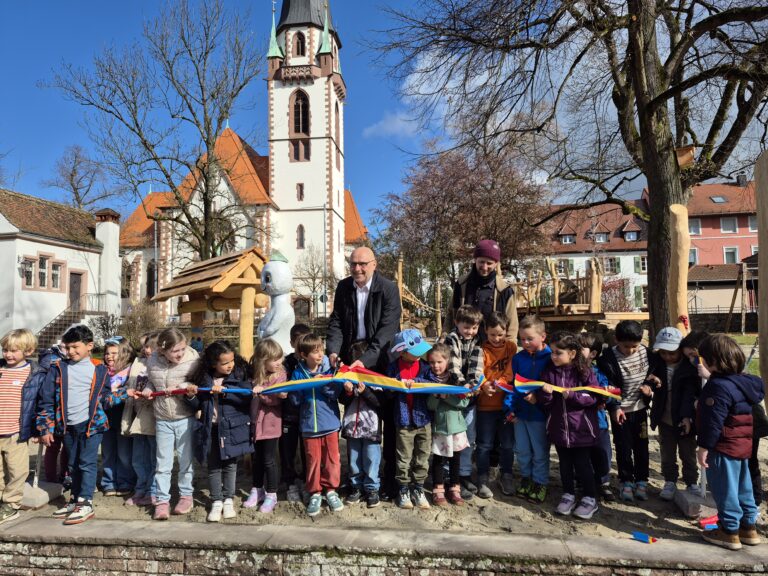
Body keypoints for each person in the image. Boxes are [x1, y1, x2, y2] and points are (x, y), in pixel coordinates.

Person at [326, 246, 401, 501]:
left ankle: (387, 481)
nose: (357, 268)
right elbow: (336, 320)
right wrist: (334, 351)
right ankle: (356, 480)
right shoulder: (344, 287)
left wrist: (364, 361)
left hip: (380, 360)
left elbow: (386, 332)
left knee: (386, 422)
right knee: (354, 418)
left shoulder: (388, 289)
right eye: (353, 264)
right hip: (351, 355)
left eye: (362, 264)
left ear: (374, 264)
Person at [37, 325, 126, 525]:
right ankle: (75, 498)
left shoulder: (100, 370)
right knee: (72, 464)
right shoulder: (58, 368)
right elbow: (46, 400)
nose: (71, 352)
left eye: (75, 347)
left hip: (92, 426)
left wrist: (123, 395)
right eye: (67, 348)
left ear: (89, 346)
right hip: (67, 426)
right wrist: (45, 427)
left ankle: (85, 502)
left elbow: (103, 398)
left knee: (86, 463)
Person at [697, 334, 765, 550]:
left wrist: (704, 447)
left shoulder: (717, 387)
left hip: (723, 446)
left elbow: (712, 421)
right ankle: (748, 527)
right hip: (743, 445)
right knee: (743, 488)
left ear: (713, 362)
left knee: (725, 490)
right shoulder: (746, 383)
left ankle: (729, 531)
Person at [538, 332, 601, 520]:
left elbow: (594, 397)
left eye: (558, 353)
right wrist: (547, 394)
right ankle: (568, 494)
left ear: (572, 353)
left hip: (581, 429)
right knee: (564, 464)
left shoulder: (585, 372)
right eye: (552, 352)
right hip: (559, 428)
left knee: (582, 464)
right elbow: (545, 403)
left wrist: (573, 396)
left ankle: (590, 498)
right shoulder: (549, 372)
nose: (553, 356)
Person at [188, 341, 253, 523]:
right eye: (225, 363)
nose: (230, 365)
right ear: (212, 364)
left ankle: (229, 499)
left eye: (231, 360)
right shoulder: (204, 379)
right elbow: (197, 403)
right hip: (211, 428)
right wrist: (191, 395)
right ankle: (216, 500)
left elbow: (246, 396)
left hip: (231, 429)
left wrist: (226, 391)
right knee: (214, 465)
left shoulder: (239, 375)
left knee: (230, 465)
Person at [140, 327, 199, 521]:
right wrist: (148, 390)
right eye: (175, 351)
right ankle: (162, 501)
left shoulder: (192, 359)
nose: (180, 354)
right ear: (162, 350)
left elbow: (195, 383)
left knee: (185, 460)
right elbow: (152, 381)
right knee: (163, 462)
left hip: (184, 417)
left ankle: (185, 496)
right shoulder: (153, 361)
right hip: (163, 418)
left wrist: (181, 387)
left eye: (182, 348)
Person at [288, 333, 343, 517]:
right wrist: (306, 385)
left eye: (321, 350)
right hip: (309, 425)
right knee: (312, 461)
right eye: (315, 352)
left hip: (330, 423)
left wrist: (321, 382)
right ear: (303, 355)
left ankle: (331, 490)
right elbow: (294, 400)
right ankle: (315, 492)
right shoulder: (297, 373)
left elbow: (335, 393)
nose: (320, 355)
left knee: (332, 459)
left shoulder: (330, 369)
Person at [597, 320, 652, 503]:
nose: (630, 350)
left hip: (640, 409)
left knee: (642, 446)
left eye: (634, 346)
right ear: (616, 340)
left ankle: (642, 481)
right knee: (623, 447)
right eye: (626, 346)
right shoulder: (608, 359)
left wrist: (651, 386)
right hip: (621, 410)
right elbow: (609, 387)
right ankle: (626, 481)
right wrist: (615, 407)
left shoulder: (646, 353)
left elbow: (653, 372)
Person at [647, 327, 702, 501]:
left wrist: (689, 416)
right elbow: (645, 376)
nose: (668, 357)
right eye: (663, 353)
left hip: (685, 418)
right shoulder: (657, 363)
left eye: (672, 353)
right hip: (664, 418)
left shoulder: (690, 368)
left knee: (688, 452)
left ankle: (691, 481)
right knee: (667, 452)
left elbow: (692, 392)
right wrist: (650, 380)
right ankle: (670, 481)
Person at [505, 315, 551, 503]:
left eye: (529, 338)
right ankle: (526, 479)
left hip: (540, 415)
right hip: (519, 414)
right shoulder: (518, 358)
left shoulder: (551, 358)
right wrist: (509, 408)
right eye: (522, 339)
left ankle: (540, 482)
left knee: (540, 451)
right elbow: (511, 385)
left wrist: (538, 399)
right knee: (522, 450)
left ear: (543, 336)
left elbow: (554, 388)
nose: (525, 342)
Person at [387, 328, 433, 510]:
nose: (419, 354)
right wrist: (398, 384)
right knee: (404, 457)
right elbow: (387, 388)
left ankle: (419, 488)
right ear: (402, 352)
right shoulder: (393, 368)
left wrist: (419, 383)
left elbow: (433, 383)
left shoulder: (425, 367)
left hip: (423, 419)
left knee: (423, 456)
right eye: (415, 351)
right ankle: (404, 489)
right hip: (404, 421)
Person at [445, 305, 484, 500]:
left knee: (469, 436)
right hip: (452, 394)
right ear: (457, 324)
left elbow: (476, 367)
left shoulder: (477, 341)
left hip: (469, 397)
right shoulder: (451, 339)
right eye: (466, 327)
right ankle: (447, 474)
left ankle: (464, 473)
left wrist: (473, 384)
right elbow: (453, 365)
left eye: (474, 328)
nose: (470, 332)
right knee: (449, 434)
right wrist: (462, 385)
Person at [476, 313, 517, 499]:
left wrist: (500, 382)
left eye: (500, 334)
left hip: (506, 406)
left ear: (506, 331)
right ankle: (482, 477)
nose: (497, 338)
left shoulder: (511, 348)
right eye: (492, 334)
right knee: (484, 444)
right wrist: (484, 385)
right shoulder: (481, 350)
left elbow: (510, 371)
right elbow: (478, 372)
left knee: (507, 444)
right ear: (486, 332)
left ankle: (506, 474)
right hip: (486, 406)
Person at [0, 329, 39, 524]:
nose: (8, 354)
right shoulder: (1, 370)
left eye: (14, 350)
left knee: (17, 470)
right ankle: (2, 500)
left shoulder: (33, 374)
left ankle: (12, 504)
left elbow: (40, 403)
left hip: (16, 431)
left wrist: (39, 429)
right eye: (5, 350)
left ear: (28, 351)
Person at [445, 239, 518, 341]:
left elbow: (512, 326)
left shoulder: (505, 291)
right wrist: (444, 337)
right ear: (475, 259)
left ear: (496, 263)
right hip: (462, 347)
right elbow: (450, 313)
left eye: (489, 263)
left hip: (492, 349)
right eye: (481, 262)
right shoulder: (461, 285)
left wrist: (510, 350)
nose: (484, 267)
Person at [245, 338, 288, 514]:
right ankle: (257, 489)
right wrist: (254, 389)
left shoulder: (280, 375)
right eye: (274, 360)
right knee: (257, 459)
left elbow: (275, 401)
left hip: (271, 424)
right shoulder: (254, 375)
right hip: (256, 423)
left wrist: (261, 393)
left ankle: (272, 493)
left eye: (280, 358)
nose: (279, 362)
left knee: (269, 460)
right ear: (263, 361)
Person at [427, 343, 471, 506]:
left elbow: (464, 402)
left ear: (448, 361)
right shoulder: (428, 380)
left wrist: (447, 397)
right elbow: (430, 405)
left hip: (457, 428)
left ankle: (454, 488)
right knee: (439, 459)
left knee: (455, 460)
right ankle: (438, 489)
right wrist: (436, 396)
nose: (435, 366)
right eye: (432, 362)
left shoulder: (456, 379)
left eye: (439, 362)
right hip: (440, 428)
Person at [340, 351, 383, 509]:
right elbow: (342, 400)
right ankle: (356, 486)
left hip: (371, 429)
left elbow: (379, 403)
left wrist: (365, 391)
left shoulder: (377, 379)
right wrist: (349, 391)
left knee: (372, 459)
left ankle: (372, 489)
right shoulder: (347, 378)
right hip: (353, 428)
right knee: (354, 460)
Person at [121, 331, 160, 507]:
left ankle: (152, 490)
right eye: (144, 346)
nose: (146, 349)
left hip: (153, 416)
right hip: (137, 415)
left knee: (153, 457)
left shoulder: (160, 365)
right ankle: (140, 488)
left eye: (150, 346)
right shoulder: (138, 363)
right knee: (138, 457)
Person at [578, 332, 617, 502]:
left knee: (602, 455)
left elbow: (607, 395)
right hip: (578, 423)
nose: (575, 351)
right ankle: (583, 482)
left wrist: (605, 395)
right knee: (582, 456)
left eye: (580, 348)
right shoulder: (570, 372)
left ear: (593, 354)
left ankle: (603, 482)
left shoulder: (598, 372)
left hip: (598, 422)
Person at [100, 337, 136, 497]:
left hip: (124, 417)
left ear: (125, 354)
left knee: (124, 453)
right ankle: (108, 482)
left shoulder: (130, 372)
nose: (109, 356)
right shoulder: (102, 372)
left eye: (114, 353)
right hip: (106, 418)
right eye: (107, 353)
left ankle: (125, 481)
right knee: (107, 452)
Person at [281, 323, 310, 502]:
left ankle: (308, 480)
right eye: (298, 342)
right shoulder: (286, 363)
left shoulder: (312, 361)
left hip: (308, 414)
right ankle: (290, 481)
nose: (301, 346)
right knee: (287, 450)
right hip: (289, 415)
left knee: (308, 450)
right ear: (292, 343)